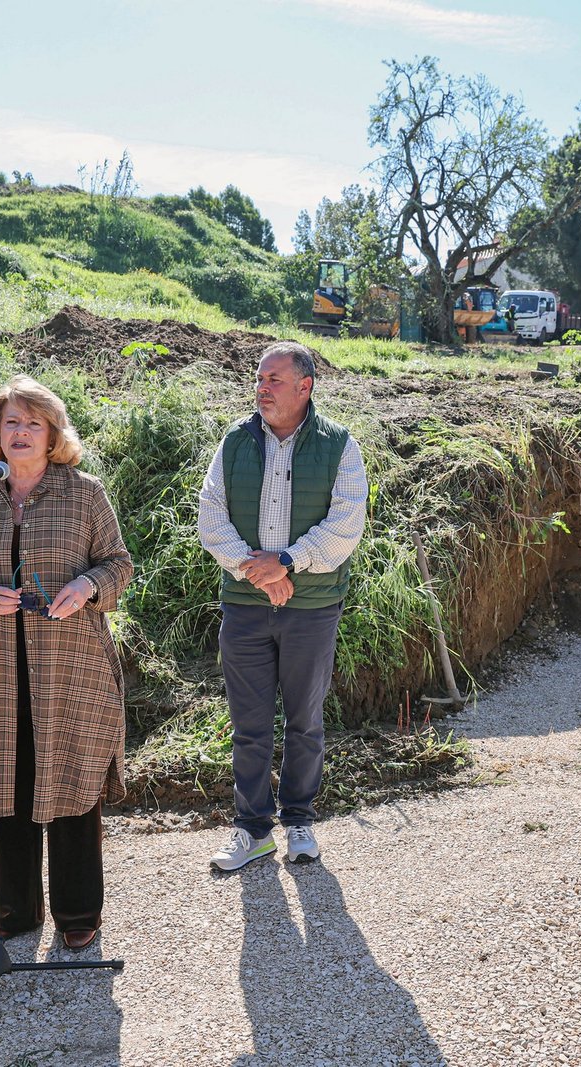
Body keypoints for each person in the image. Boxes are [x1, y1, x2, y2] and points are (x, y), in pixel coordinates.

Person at [0, 375, 132, 949]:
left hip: (71, 668)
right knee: (7, 783)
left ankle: (77, 912)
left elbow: (118, 564)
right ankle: (15, 909)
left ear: (52, 434)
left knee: (71, 777)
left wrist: (87, 587)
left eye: (33, 423)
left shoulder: (84, 493)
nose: (20, 433)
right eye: (10, 423)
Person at [199, 341, 367, 872]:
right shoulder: (234, 441)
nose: (262, 388)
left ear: (304, 386)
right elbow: (211, 515)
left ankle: (299, 821)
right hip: (245, 606)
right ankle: (252, 830)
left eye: (274, 379)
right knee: (248, 726)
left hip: (310, 608)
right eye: (259, 378)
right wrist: (257, 571)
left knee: (305, 722)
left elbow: (346, 525)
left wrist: (287, 563)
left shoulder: (340, 445)